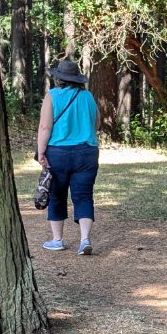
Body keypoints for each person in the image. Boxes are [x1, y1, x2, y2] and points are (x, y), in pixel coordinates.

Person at [37, 59, 100, 255]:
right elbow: (97, 124)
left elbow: (45, 127)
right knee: (84, 196)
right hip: (87, 152)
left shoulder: (52, 96)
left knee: (57, 195)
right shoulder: (88, 96)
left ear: (58, 78)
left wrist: (40, 151)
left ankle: (57, 240)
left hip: (58, 153)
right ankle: (84, 240)